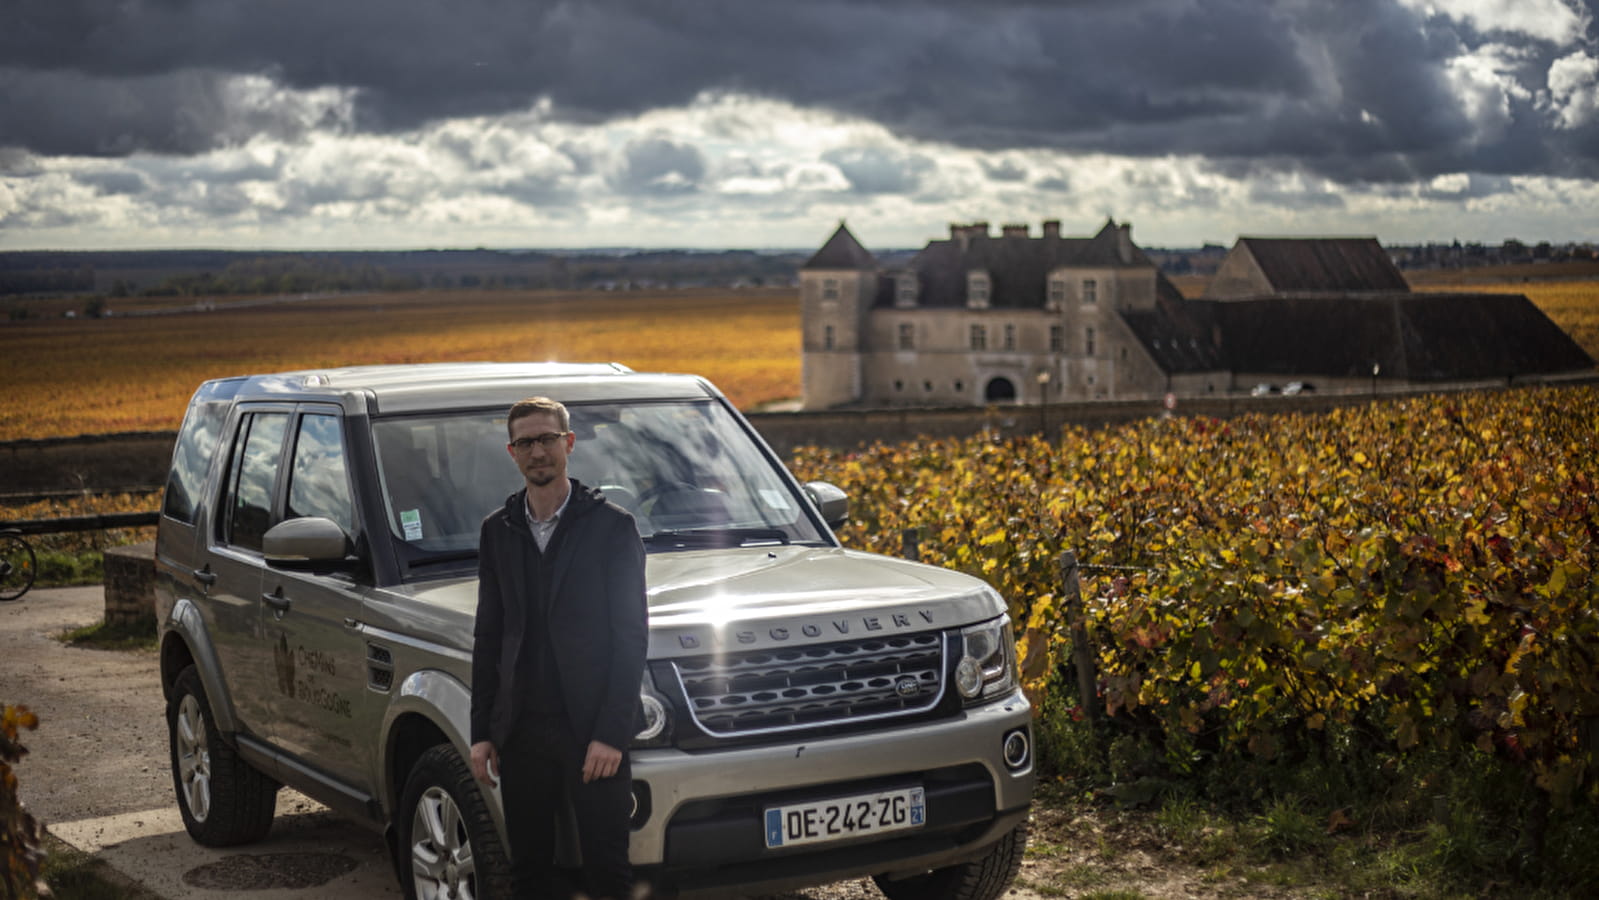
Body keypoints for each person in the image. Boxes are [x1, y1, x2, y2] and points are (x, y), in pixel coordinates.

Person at [471, 396, 648, 899]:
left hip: (592, 733)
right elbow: (490, 635)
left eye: (547, 439)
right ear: (512, 452)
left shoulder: (612, 528)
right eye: (526, 442)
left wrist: (612, 734)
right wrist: (483, 730)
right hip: (521, 733)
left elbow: (631, 637)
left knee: (607, 873)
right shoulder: (497, 531)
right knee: (528, 872)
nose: (538, 451)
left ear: (568, 443)